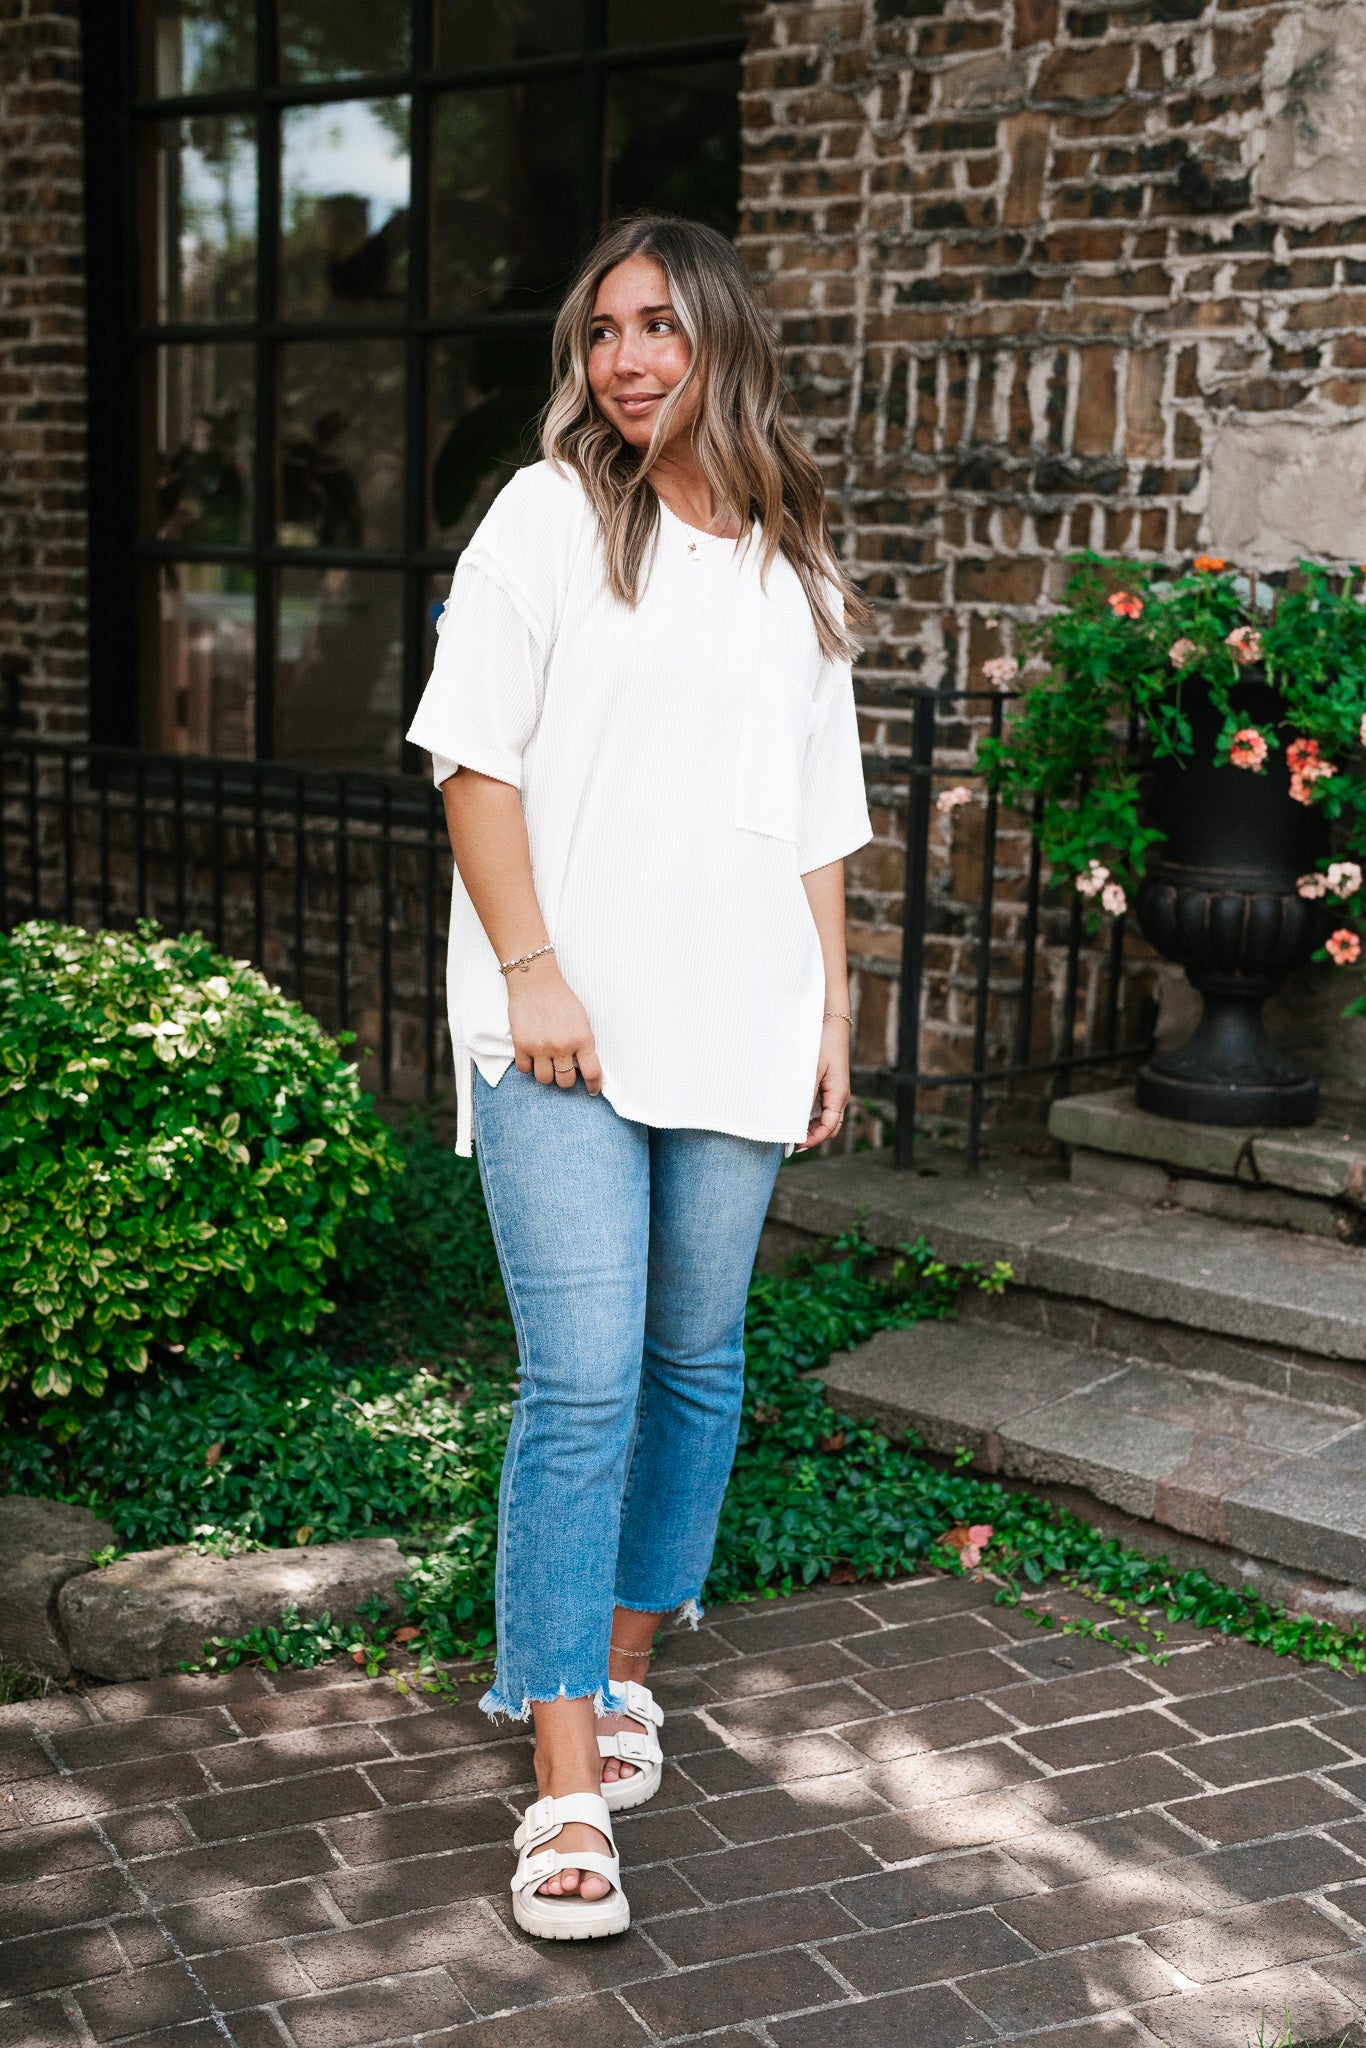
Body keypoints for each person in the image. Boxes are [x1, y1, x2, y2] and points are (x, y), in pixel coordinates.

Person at [405, 212, 872, 1941]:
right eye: (603, 329)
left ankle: (617, 1679)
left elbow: (818, 813)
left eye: (659, 327)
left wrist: (828, 1009)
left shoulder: (790, 558)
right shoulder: (544, 518)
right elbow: (471, 761)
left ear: (720, 341)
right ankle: (560, 1793)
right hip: (562, 1031)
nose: (625, 359)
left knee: (692, 1366)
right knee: (583, 1384)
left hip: (740, 1017)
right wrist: (531, 970)